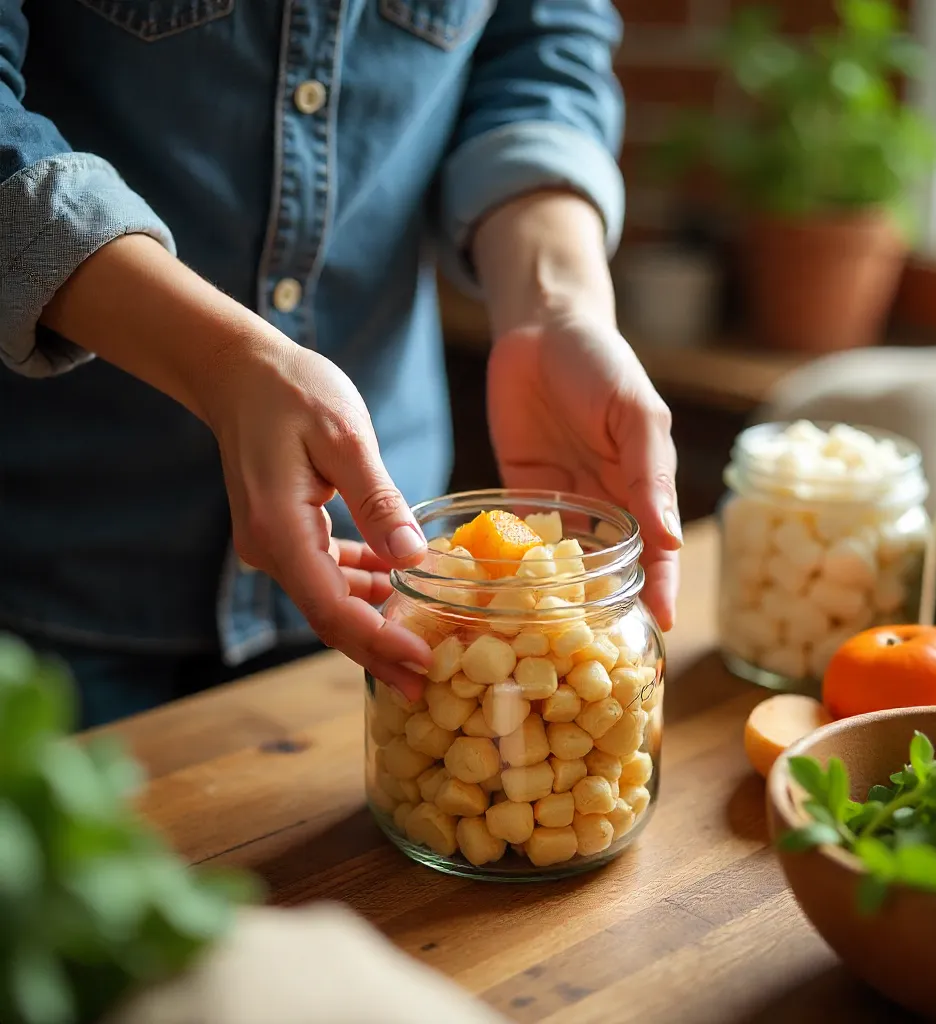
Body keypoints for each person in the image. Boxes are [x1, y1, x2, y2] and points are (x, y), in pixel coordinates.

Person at [0, 0, 681, 728]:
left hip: (377, 577)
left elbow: (540, 51)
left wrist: (556, 307)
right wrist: (222, 360)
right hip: (47, 553)